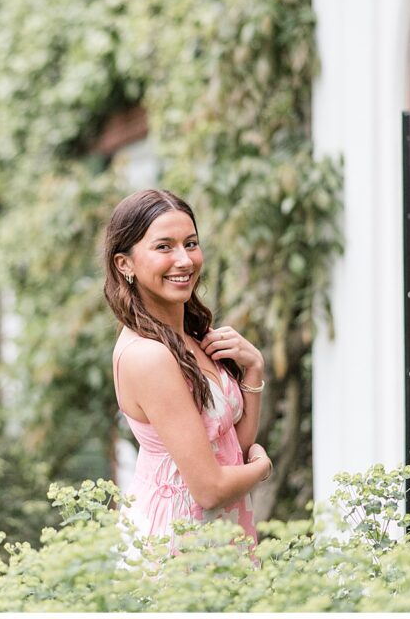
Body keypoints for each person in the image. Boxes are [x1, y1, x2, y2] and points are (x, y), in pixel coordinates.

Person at [103, 188, 272, 552]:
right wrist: (262, 468)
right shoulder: (148, 356)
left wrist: (254, 368)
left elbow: (230, 450)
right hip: (180, 539)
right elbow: (210, 489)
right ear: (125, 264)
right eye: (164, 247)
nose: (184, 260)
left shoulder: (192, 337)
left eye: (191, 243)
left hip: (222, 528)